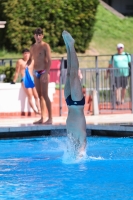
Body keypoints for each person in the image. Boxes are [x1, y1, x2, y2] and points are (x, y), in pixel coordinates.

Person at [62, 30, 87, 158]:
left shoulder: (71, 140)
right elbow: (83, 148)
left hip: (69, 103)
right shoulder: (82, 138)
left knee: (68, 74)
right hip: (77, 104)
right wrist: (81, 155)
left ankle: (67, 47)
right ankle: (71, 45)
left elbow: (68, 151)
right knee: (74, 74)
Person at [28, 27, 52, 124]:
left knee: (45, 95)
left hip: (43, 72)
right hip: (36, 72)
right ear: (34, 36)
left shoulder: (45, 46)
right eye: (36, 35)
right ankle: (42, 118)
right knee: (40, 96)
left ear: (42, 36)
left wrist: (46, 72)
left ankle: (50, 118)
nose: (38, 37)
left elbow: (50, 60)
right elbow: (30, 59)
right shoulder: (32, 47)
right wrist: (27, 63)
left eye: (39, 35)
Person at [11, 49, 41, 114]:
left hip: (32, 79)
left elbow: (37, 70)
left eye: (28, 53)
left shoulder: (32, 61)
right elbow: (17, 72)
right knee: (30, 95)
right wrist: (14, 80)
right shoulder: (20, 61)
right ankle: (34, 110)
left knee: (36, 95)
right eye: (25, 53)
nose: (26, 55)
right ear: (23, 54)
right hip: (25, 79)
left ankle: (39, 109)